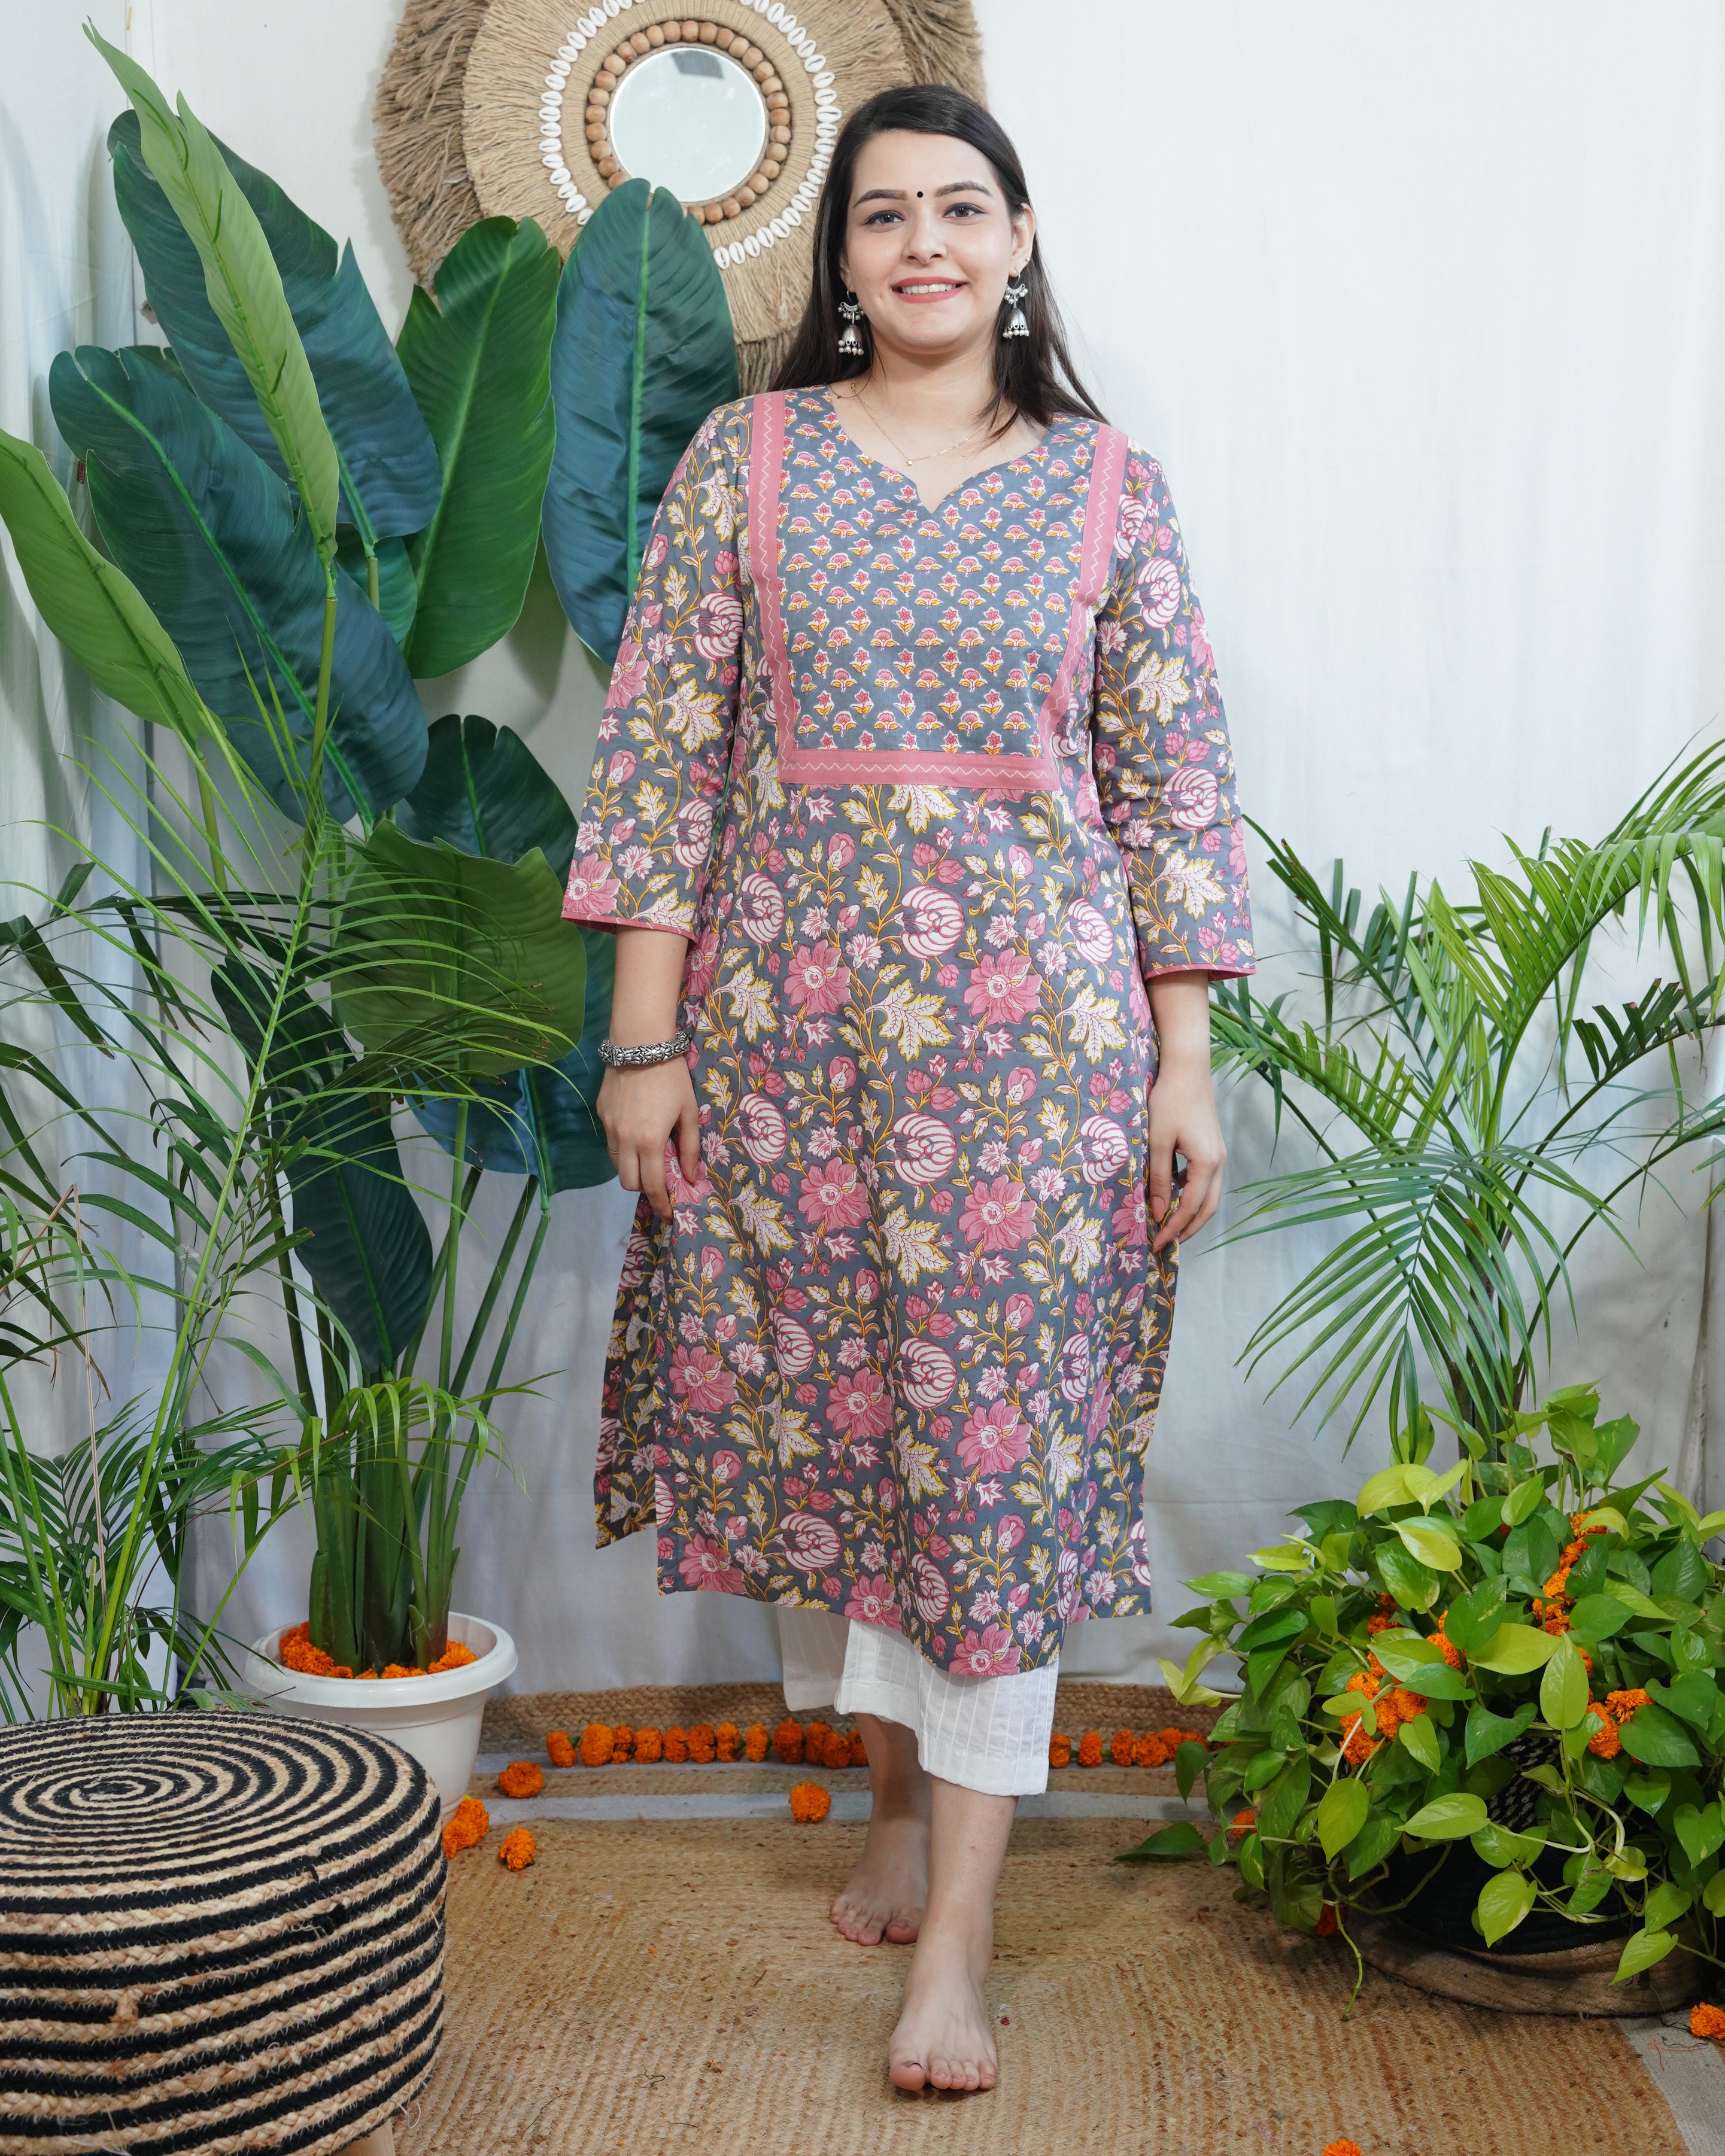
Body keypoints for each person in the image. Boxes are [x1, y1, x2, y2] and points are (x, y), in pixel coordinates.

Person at [563, 82, 1253, 2095]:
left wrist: (1186, 1060)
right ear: (842, 257)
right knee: (839, 1426)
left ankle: (956, 1933)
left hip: (1042, 1060)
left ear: (1019, 241)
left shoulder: (1108, 485)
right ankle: (885, 1804)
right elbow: (663, 751)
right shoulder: (748, 458)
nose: (925, 243)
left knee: (993, 1462)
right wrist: (643, 1038)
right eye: (884, 215)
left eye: (962, 208)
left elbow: (1174, 787)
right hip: (784, 1044)